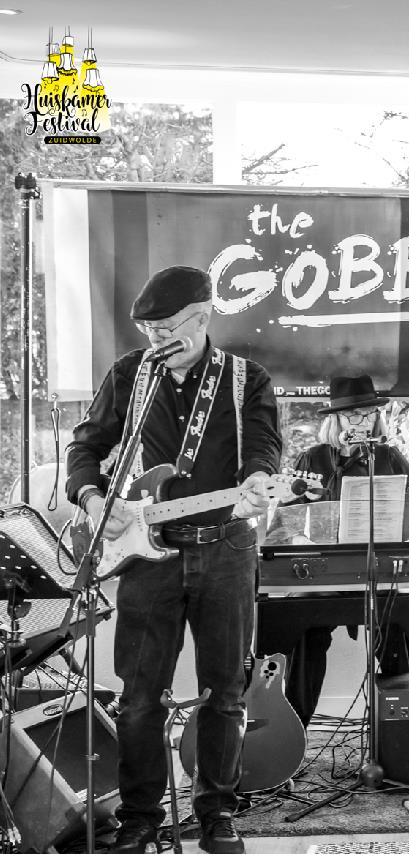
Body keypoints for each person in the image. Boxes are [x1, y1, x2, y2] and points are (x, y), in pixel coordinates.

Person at [66, 266, 281, 854]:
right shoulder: (129, 375)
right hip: (146, 555)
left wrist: (259, 479)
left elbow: (263, 446)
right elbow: (86, 446)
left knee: (225, 692)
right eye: (149, 329)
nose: (157, 338)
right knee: (139, 697)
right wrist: (94, 500)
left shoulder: (247, 378)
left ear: (203, 316)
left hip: (227, 548)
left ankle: (217, 814)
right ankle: (139, 818)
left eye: (167, 328)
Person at [280, 374, 409, 727]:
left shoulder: (389, 457)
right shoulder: (313, 458)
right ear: (336, 420)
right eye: (353, 415)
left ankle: (402, 732)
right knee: (303, 626)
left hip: (378, 568)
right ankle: (293, 729)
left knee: (401, 622)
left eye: (369, 414)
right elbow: (285, 524)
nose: (362, 421)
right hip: (325, 572)